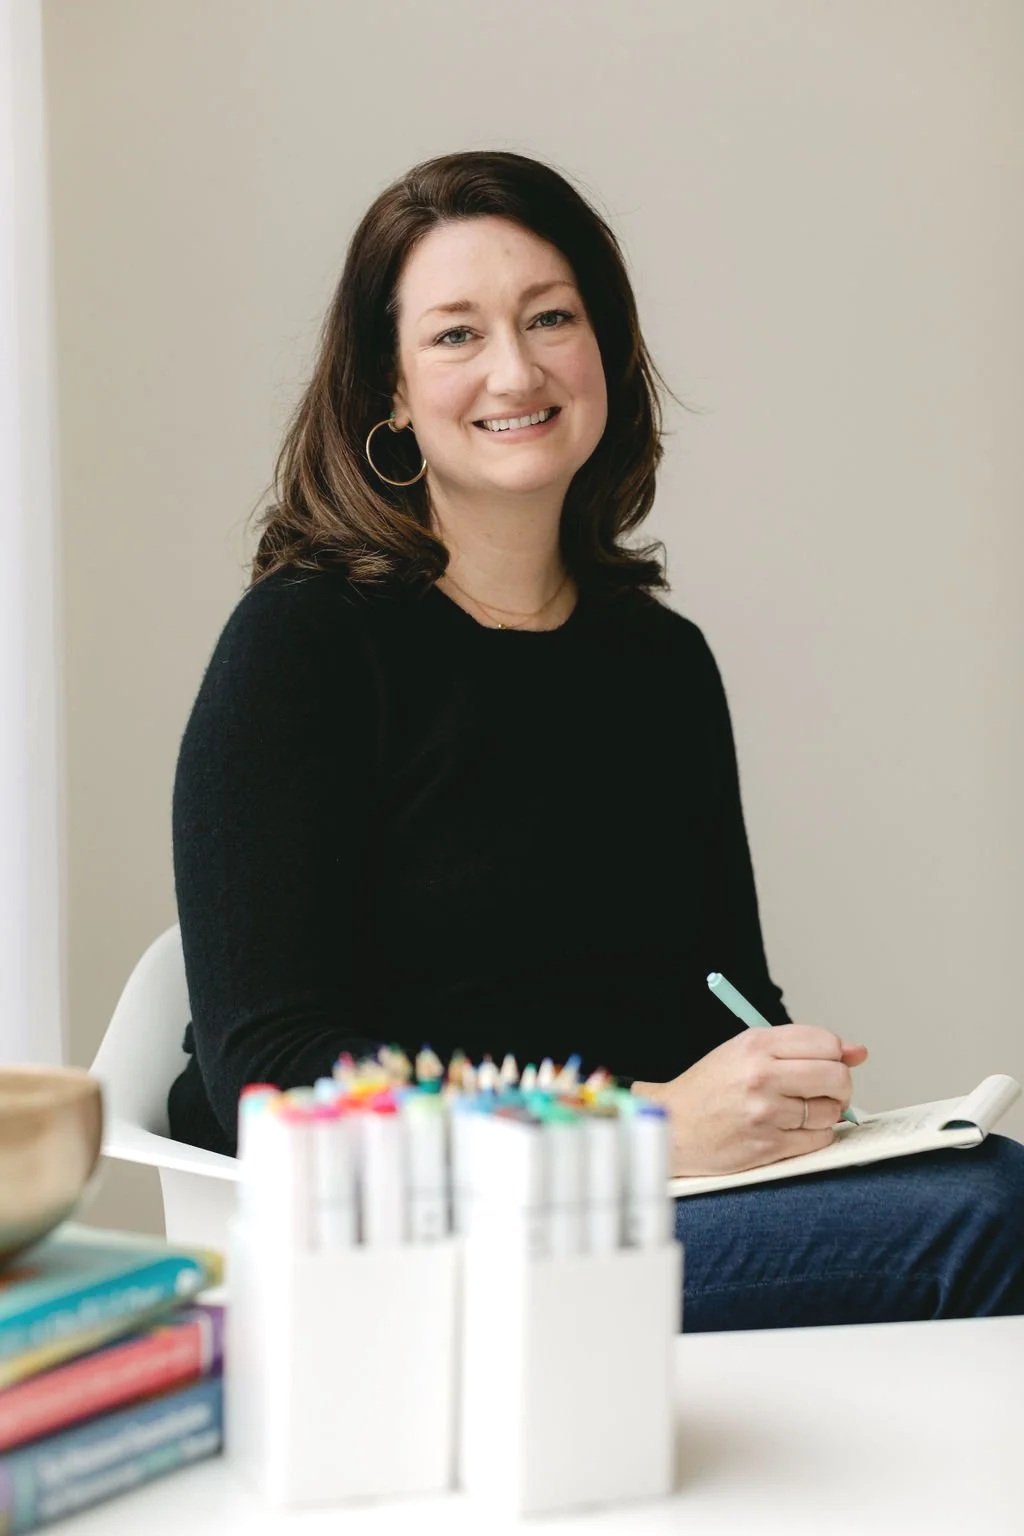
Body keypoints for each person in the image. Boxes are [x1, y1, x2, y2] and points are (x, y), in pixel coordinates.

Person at [168, 149, 1024, 1328]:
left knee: (986, 1180)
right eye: (456, 335)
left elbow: (720, 996)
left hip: (636, 1200)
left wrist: (779, 1082)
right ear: (389, 391)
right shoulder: (301, 644)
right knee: (989, 1218)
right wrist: (648, 1126)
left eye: (549, 318)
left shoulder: (658, 662)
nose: (515, 369)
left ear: (604, 349)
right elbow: (270, 1072)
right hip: (416, 1239)